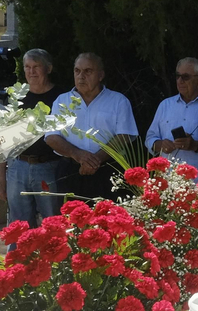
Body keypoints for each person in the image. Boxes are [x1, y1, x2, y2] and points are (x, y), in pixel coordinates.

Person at [45, 52, 140, 201]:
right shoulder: (61, 101)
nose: (81, 76)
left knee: (110, 220)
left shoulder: (118, 101)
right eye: (77, 71)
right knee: (71, 221)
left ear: (100, 75)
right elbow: (51, 136)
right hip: (71, 171)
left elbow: (124, 135)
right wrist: (78, 155)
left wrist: (95, 160)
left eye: (88, 71)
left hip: (108, 170)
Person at [0, 49, 66, 227]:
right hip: (18, 167)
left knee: (52, 223)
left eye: (36, 67)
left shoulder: (62, 97)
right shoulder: (16, 97)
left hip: (49, 167)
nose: (31, 72)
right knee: (18, 227)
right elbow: (3, 139)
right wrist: (1, 179)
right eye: (27, 67)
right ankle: (19, 256)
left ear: (48, 69)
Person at [146, 57, 198, 184]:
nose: (180, 81)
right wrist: (161, 144)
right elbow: (150, 138)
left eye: (185, 77)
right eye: (177, 76)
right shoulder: (165, 105)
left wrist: (196, 145)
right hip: (168, 180)